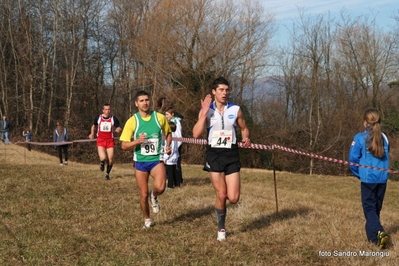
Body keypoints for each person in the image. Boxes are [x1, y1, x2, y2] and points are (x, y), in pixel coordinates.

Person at [192, 77, 251, 241]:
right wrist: (203, 114)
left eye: (226, 90)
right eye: (221, 90)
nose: (224, 93)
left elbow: (244, 128)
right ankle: (221, 229)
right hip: (214, 154)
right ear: (213, 91)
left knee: (233, 198)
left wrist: (246, 138)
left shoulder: (236, 109)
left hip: (231, 153)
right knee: (222, 194)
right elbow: (196, 134)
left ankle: (221, 222)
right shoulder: (207, 110)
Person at [120, 90, 172, 229]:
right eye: (141, 101)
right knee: (142, 195)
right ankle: (147, 220)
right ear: (136, 104)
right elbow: (124, 145)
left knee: (161, 187)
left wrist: (168, 145)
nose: (145, 103)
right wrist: (136, 141)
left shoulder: (159, 117)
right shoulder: (132, 121)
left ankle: (154, 196)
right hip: (140, 162)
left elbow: (168, 133)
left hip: (156, 159)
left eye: (147, 100)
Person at [349, 108, 390, 249]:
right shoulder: (384, 138)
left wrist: (359, 173)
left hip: (368, 179)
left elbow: (352, 160)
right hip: (382, 178)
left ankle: (379, 232)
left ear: (365, 122)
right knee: (375, 209)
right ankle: (373, 239)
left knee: (369, 209)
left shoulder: (359, 138)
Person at [89, 103, 122, 180]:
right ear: (103, 110)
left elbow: (119, 127)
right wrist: (92, 133)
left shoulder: (113, 118)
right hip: (101, 140)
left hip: (110, 140)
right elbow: (94, 126)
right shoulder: (99, 118)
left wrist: (118, 130)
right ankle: (102, 163)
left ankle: (107, 174)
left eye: (109, 109)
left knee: (110, 159)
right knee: (103, 157)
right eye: (106, 109)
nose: (107, 111)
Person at [165, 107, 183, 184]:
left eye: (167, 114)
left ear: (172, 114)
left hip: (176, 145)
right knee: (171, 165)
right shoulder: (170, 121)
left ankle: (178, 180)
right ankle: (173, 180)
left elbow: (178, 135)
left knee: (176, 164)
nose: (166, 116)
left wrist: (176, 147)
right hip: (172, 145)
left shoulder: (176, 122)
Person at [164, 121, 181, 189]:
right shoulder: (176, 135)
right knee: (174, 171)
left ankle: (170, 185)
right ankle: (177, 183)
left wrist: (166, 158)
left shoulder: (170, 136)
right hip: (175, 156)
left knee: (170, 172)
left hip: (170, 157)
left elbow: (171, 148)